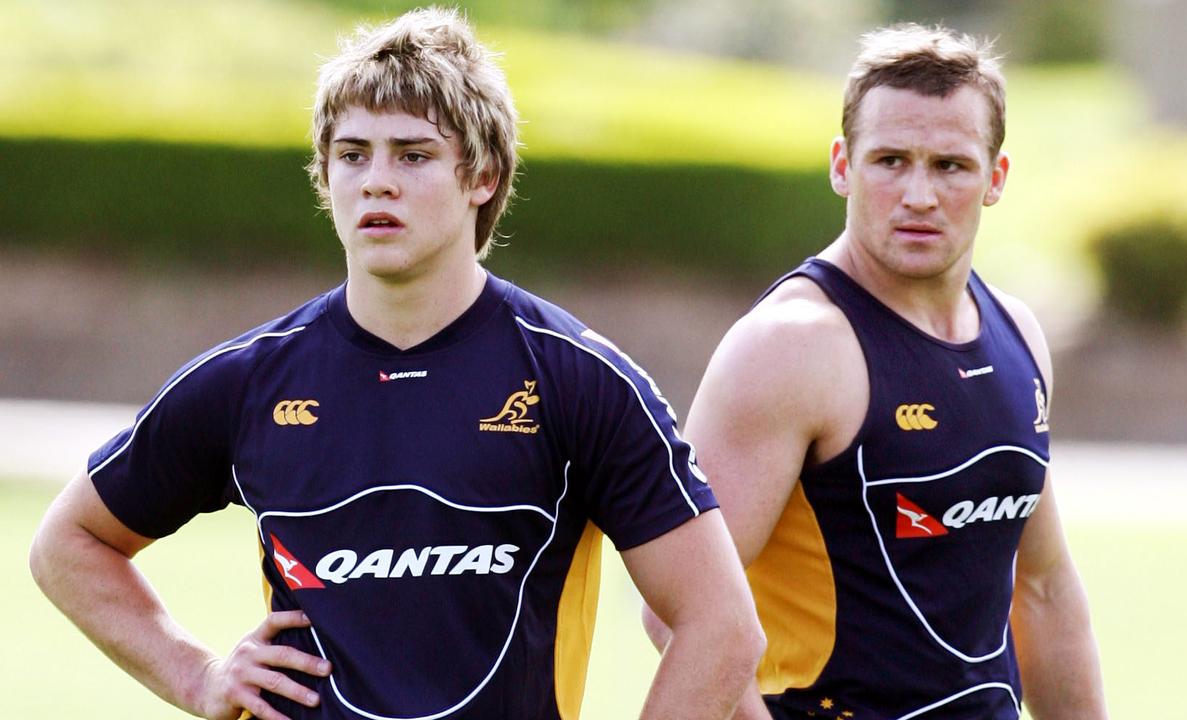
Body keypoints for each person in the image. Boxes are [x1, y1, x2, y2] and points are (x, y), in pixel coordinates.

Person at [29, 8, 763, 720]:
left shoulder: (580, 379)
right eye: (352, 155)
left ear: (481, 177)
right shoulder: (249, 382)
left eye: (412, 155)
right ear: (325, 175)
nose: (376, 181)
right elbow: (70, 543)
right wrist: (198, 676)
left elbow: (721, 626)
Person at [643, 23, 1107, 720]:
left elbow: (1041, 589)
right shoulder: (791, 347)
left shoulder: (1018, 334)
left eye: (950, 165)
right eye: (890, 160)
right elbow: (676, 609)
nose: (918, 194)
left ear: (996, 178)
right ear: (841, 166)